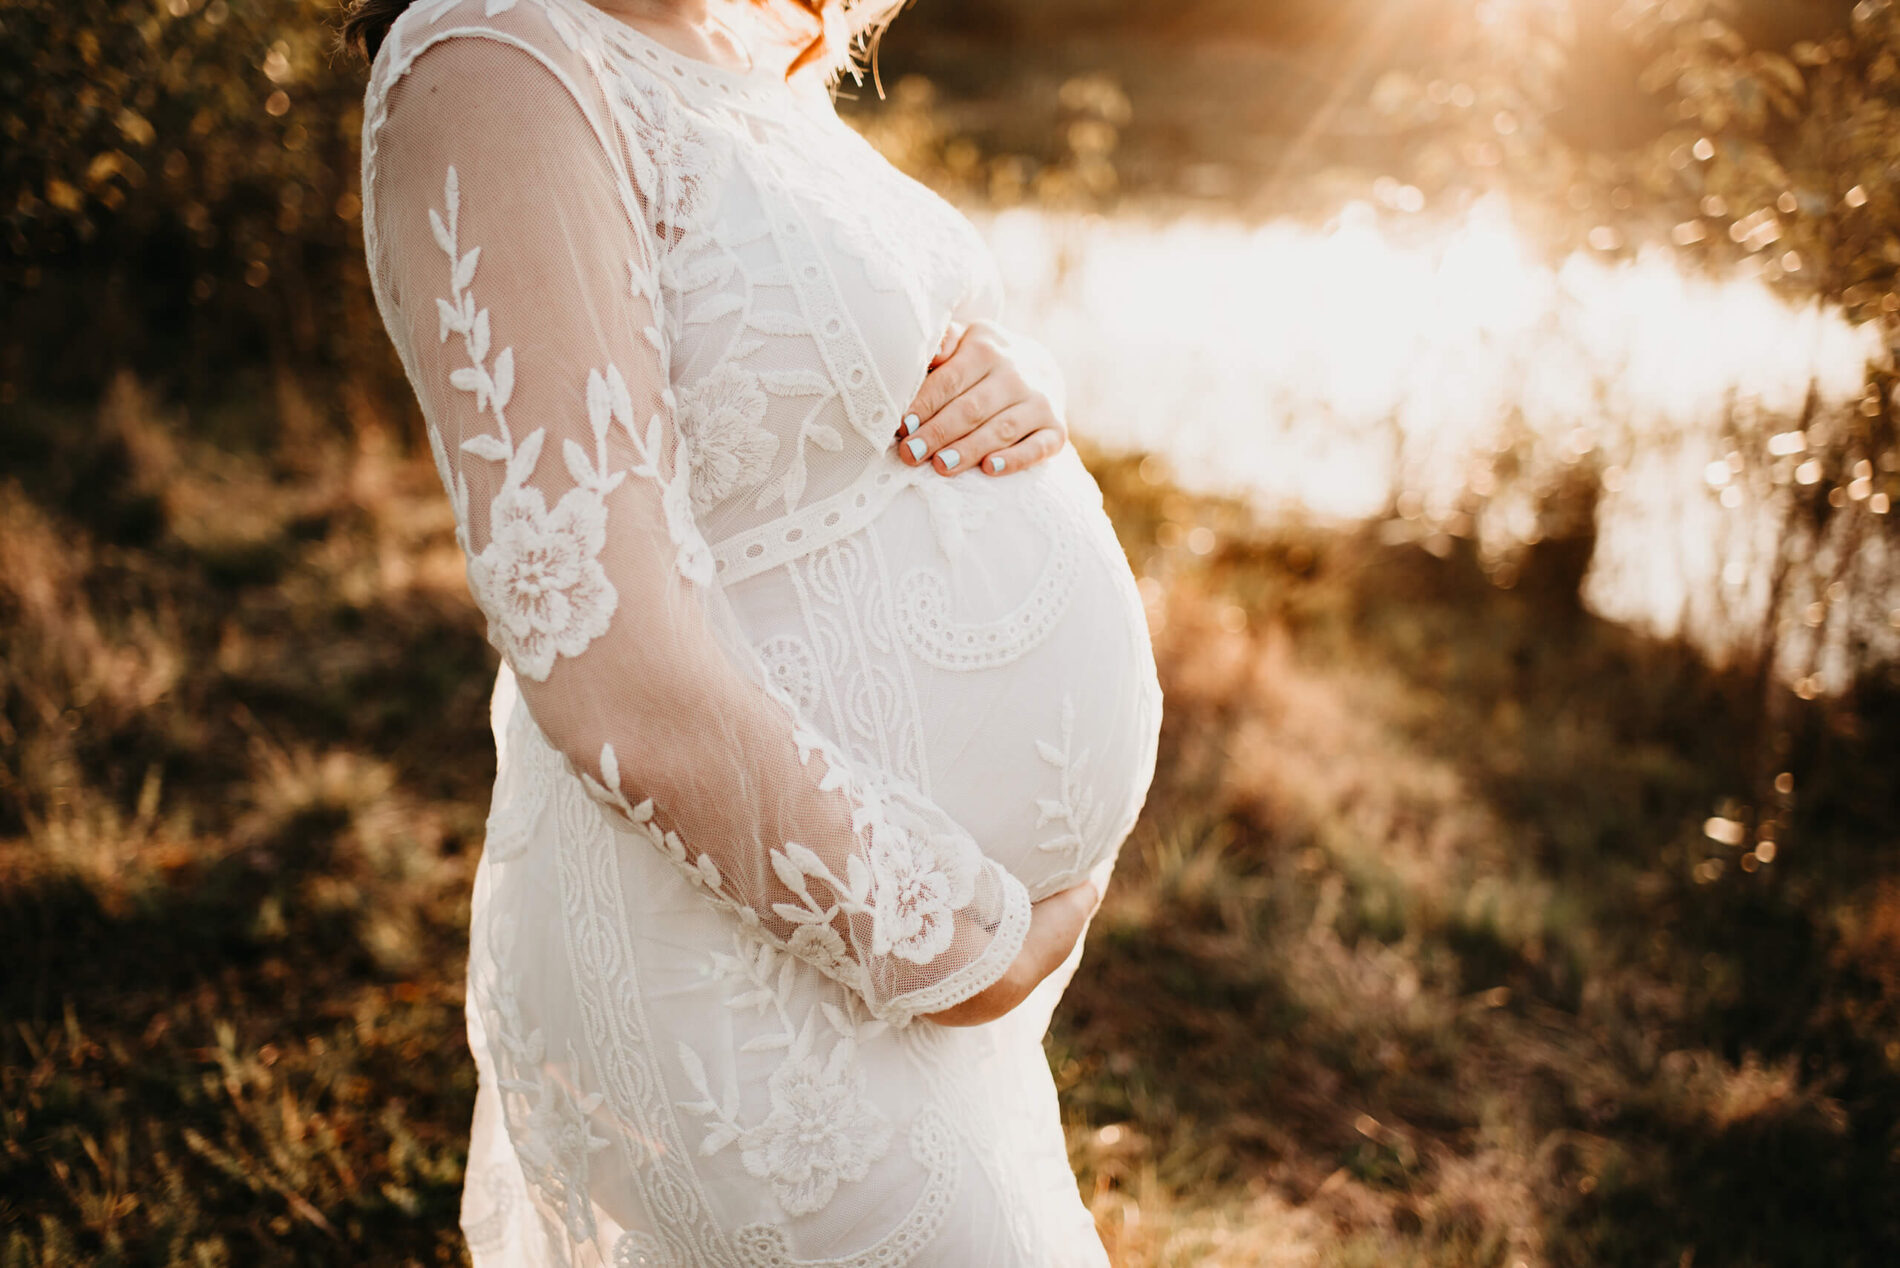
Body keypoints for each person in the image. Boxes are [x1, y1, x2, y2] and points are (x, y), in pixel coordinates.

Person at [349, 0, 1163, 1260]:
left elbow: (822, 357)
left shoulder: (734, 39)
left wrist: (1012, 376)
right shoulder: (496, 67)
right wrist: (957, 943)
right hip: (749, 964)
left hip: (861, 948)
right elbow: (605, 658)